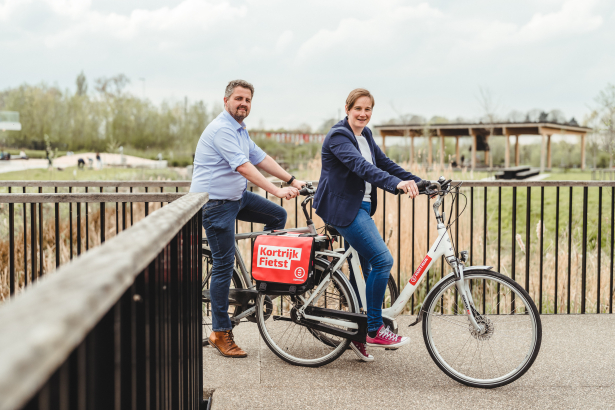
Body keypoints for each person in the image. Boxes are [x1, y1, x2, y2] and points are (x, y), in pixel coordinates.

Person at [190, 79, 306, 358]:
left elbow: (261, 158)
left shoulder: (240, 130)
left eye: (248, 100)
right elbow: (244, 167)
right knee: (222, 265)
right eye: (239, 99)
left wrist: (291, 179)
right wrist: (276, 189)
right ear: (226, 100)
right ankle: (220, 332)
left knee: (277, 214)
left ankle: (261, 276)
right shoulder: (221, 130)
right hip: (215, 204)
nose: (243, 104)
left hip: (236, 198)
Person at [313, 88, 422, 362]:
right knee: (383, 261)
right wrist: (395, 184)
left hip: (359, 207)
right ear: (347, 109)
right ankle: (374, 328)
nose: (363, 114)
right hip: (344, 210)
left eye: (368, 109)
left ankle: (356, 332)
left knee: (361, 270)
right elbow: (361, 167)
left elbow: (385, 163)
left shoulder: (366, 135)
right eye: (358, 108)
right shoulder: (339, 136)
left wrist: (420, 182)